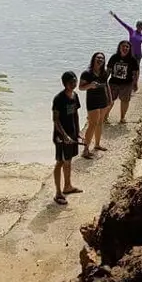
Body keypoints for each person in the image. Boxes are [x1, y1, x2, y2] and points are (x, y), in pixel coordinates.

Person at [52, 71, 83, 205]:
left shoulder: (75, 96)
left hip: (72, 134)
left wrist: (78, 132)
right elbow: (56, 120)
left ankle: (68, 186)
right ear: (65, 84)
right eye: (71, 82)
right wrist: (64, 136)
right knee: (60, 162)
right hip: (60, 136)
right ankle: (58, 192)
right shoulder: (58, 99)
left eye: (75, 81)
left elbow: (75, 114)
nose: (74, 84)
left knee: (68, 161)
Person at [79, 52, 111, 159]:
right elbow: (81, 87)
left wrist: (110, 99)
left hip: (103, 100)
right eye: (98, 58)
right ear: (93, 59)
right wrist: (90, 85)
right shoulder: (86, 73)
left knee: (100, 123)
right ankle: (85, 149)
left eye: (102, 58)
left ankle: (97, 144)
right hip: (92, 101)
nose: (100, 60)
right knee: (92, 124)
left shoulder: (104, 73)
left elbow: (107, 85)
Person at [105, 40, 140, 124]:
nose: (125, 48)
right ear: (119, 48)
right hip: (113, 82)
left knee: (125, 101)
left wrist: (135, 83)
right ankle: (105, 116)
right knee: (109, 101)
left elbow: (136, 72)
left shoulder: (132, 59)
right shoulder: (114, 57)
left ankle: (122, 117)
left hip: (127, 84)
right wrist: (104, 81)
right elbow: (109, 70)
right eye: (123, 46)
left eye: (127, 47)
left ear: (129, 48)